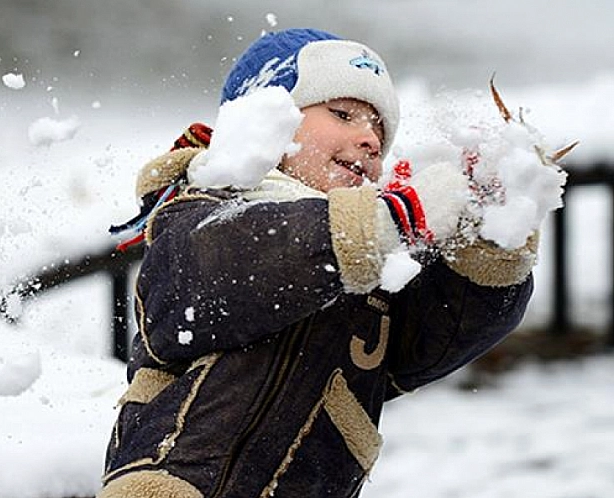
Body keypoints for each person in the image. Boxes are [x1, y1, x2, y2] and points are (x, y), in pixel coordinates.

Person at [99, 28, 539, 498]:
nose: (369, 139)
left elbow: (441, 333)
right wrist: (393, 220)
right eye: (343, 114)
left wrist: (492, 241)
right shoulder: (201, 210)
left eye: (379, 130)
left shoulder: (373, 268)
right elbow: (248, 262)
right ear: (266, 123)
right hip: (174, 484)